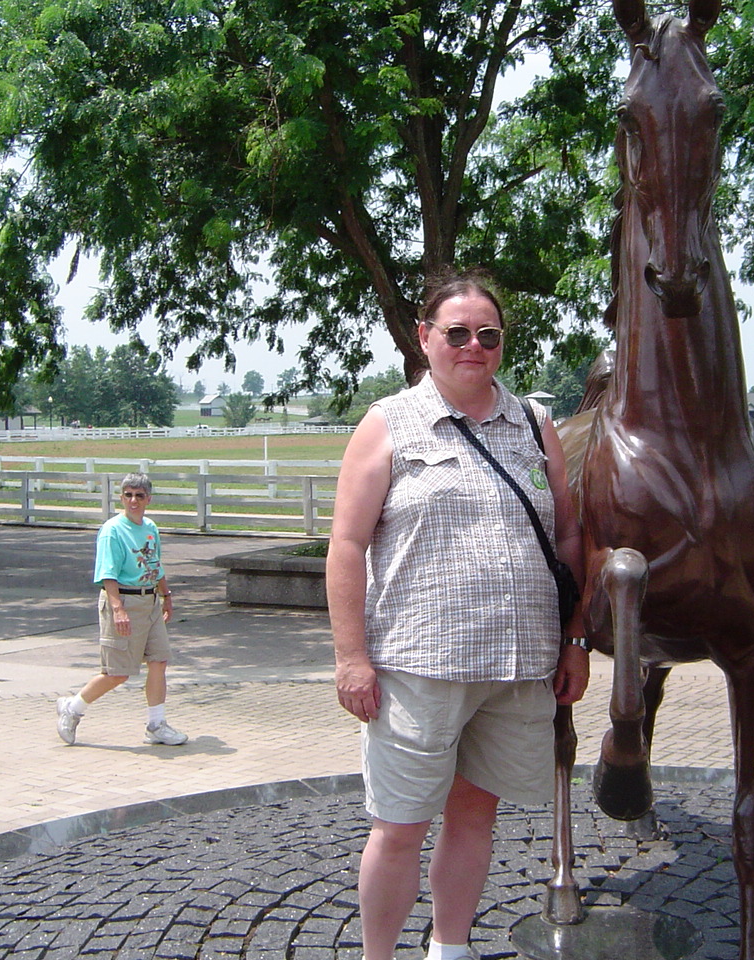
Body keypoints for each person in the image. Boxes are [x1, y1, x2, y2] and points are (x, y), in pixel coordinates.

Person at [327, 270, 589, 960]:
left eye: (489, 334)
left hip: (517, 667)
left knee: (475, 817)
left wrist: (576, 639)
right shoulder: (387, 424)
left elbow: (567, 535)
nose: (474, 346)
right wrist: (351, 657)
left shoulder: (534, 423)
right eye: (458, 333)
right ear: (424, 337)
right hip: (420, 667)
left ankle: (450, 947)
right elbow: (346, 545)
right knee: (400, 827)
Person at [55, 473, 188, 747]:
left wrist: (166, 595)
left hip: (150, 601)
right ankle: (73, 708)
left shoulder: (150, 527)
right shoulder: (112, 530)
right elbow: (108, 573)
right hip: (124, 601)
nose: (133, 501)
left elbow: (155, 564)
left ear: (149, 499)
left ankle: (156, 725)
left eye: (139, 495)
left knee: (159, 660)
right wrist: (118, 609)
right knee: (118, 672)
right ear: (121, 498)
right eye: (128, 495)